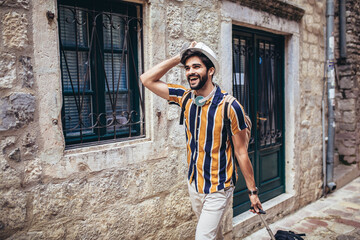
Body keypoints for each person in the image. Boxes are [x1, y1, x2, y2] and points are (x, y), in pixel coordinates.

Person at [140, 41, 262, 240]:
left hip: (219, 187)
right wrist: (178, 58)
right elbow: (146, 79)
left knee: (203, 237)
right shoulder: (185, 98)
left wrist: (252, 192)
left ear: (210, 70)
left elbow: (241, 152)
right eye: (187, 68)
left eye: (196, 66)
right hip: (195, 184)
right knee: (214, 235)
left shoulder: (230, 107)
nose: (190, 72)